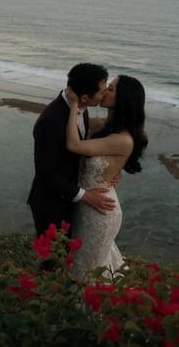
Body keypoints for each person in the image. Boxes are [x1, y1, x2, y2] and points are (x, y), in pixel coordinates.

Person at [65, 75, 148, 279]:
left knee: (90, 270)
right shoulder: (102, 126)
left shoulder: (123, 139)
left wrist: (75, 103)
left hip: (100, 211)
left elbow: (74, 145)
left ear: (123, 100)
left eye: (110, 89)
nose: (104, 91)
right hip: (85, 204)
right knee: (79, 263)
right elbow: (75, 126)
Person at [27, 63, 117, 239]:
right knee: (53, 259)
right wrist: (86, 196)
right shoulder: (50, 122)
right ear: (84, 98)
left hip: (70, 197)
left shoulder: (77, 107)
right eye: (101, 91)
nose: (104, 94)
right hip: (51, 203)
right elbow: (46, 174)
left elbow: (79, 147)